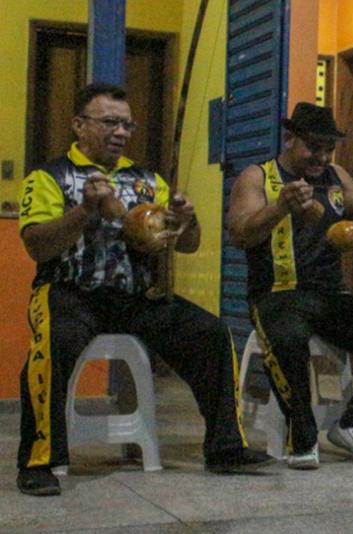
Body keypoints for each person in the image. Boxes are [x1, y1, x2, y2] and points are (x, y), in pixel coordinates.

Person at [15, 82, 270, 496]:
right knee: (52, 343)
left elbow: (187, 245)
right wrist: (85, 211)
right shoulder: (49, 177)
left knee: (210, 332)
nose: (120, 132)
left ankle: (225, 447)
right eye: (110, 122)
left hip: (136, 296)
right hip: (68, 292)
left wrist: (187, 219)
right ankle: (39, 460)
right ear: (79, 125)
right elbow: (36, 245)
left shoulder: (147, 180)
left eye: (126, 125)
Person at [226, 102, 353, 470]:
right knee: (288, 338)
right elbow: (240, 235)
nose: (322, 156)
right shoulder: (258, 177)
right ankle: (302, 433)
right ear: (289, 140)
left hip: (331, 296)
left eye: (328, 148)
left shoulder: (337, 176)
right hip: (276, 294)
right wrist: (280, 206)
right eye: (313, 146)